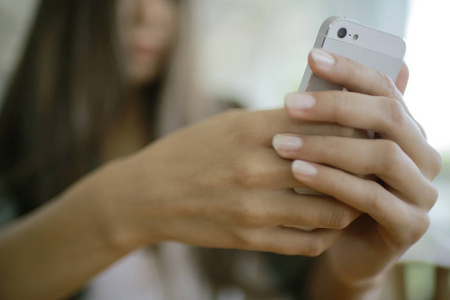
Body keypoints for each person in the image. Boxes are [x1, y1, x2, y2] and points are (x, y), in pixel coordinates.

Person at [0, 0, 441, 299]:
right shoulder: (13, 144)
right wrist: (132, 200)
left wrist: (351, 276)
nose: (148, 13)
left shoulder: (229, 125)